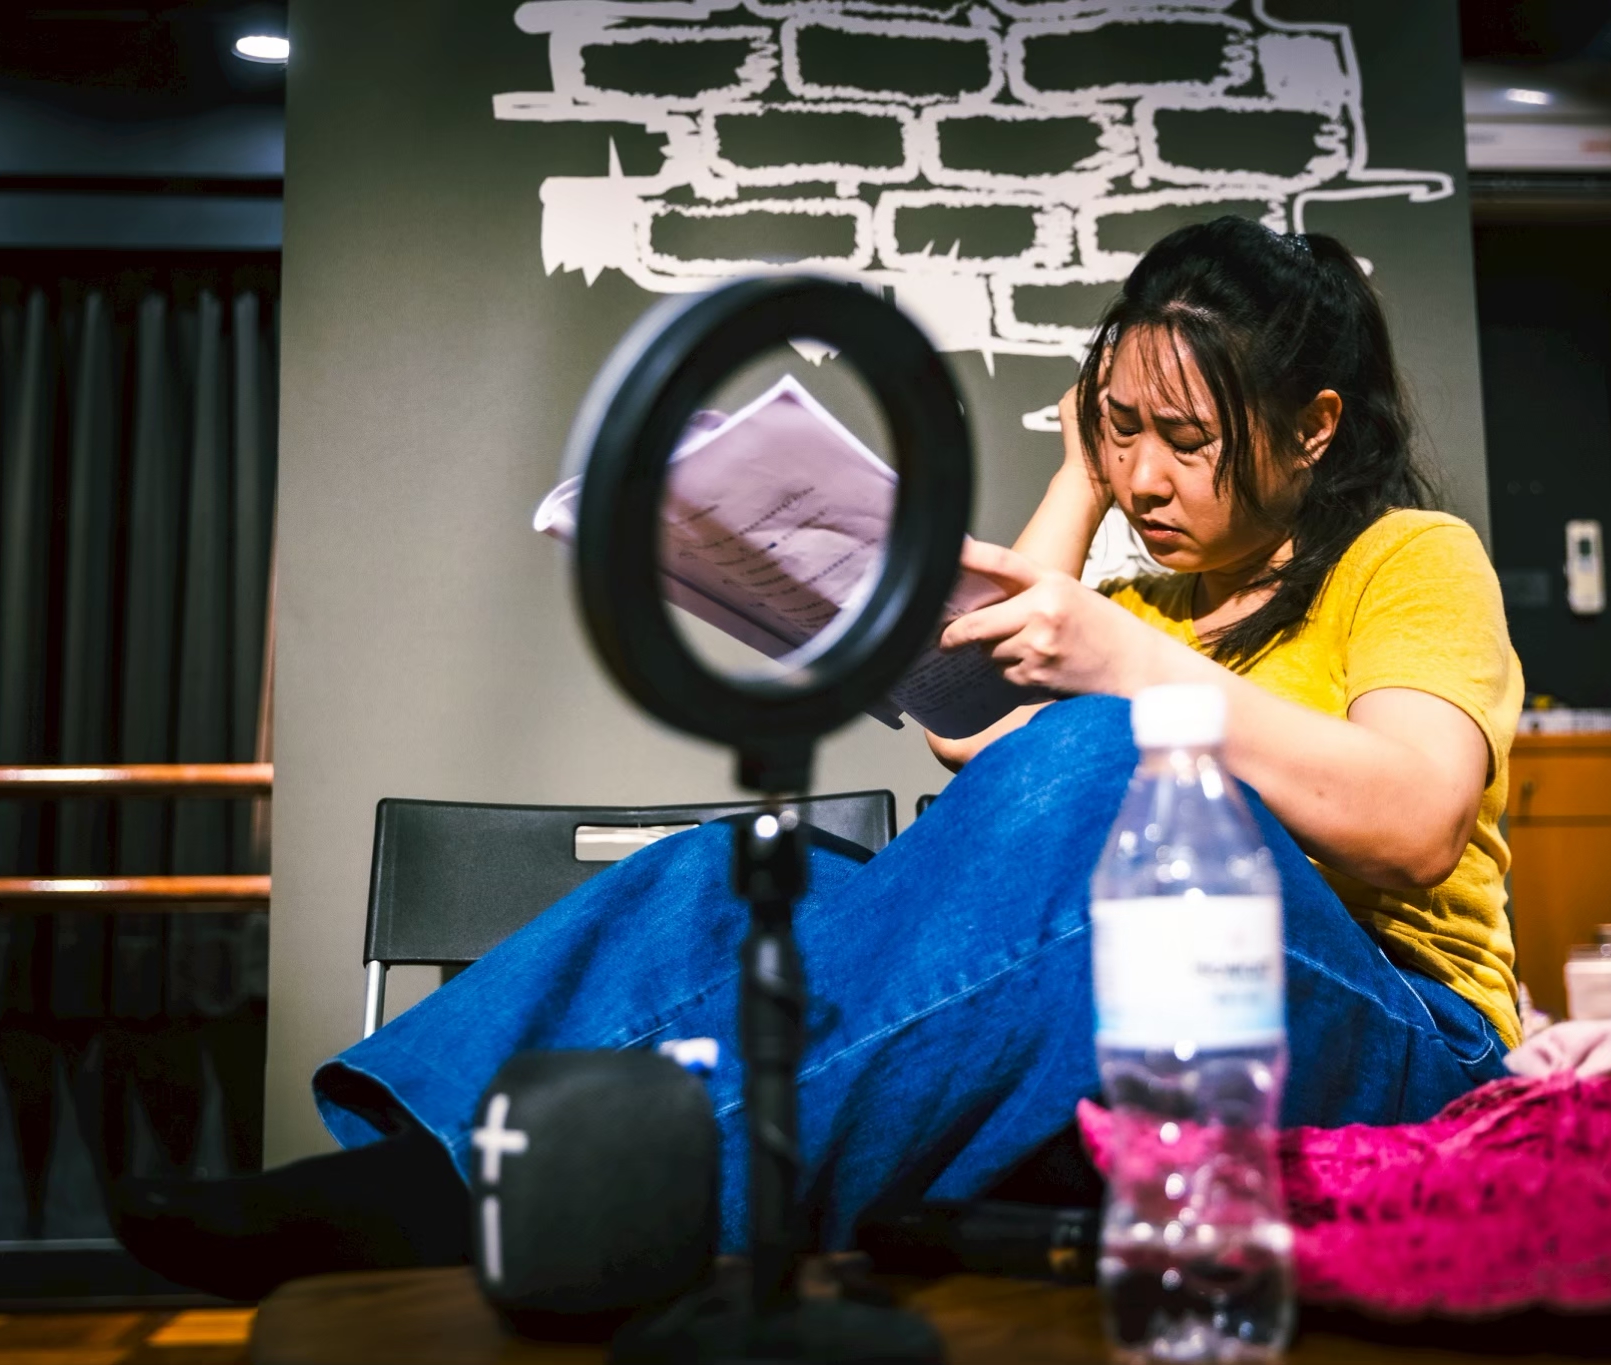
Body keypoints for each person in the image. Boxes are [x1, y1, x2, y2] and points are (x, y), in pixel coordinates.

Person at [115, 217, 1523, 1301]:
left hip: (1404, 1027)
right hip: (1171, 989)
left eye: (1187, 438)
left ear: (1313, 426)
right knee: (731, 874)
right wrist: (1076, 487)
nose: (1145, 476)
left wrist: (1122, 668)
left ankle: (536, 1209)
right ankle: (435, 1157)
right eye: (1120, 428)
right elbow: (982, 743)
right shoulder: (1142, 596)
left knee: (1102, 757)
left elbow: (1414, 819)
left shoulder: (1408, 558)